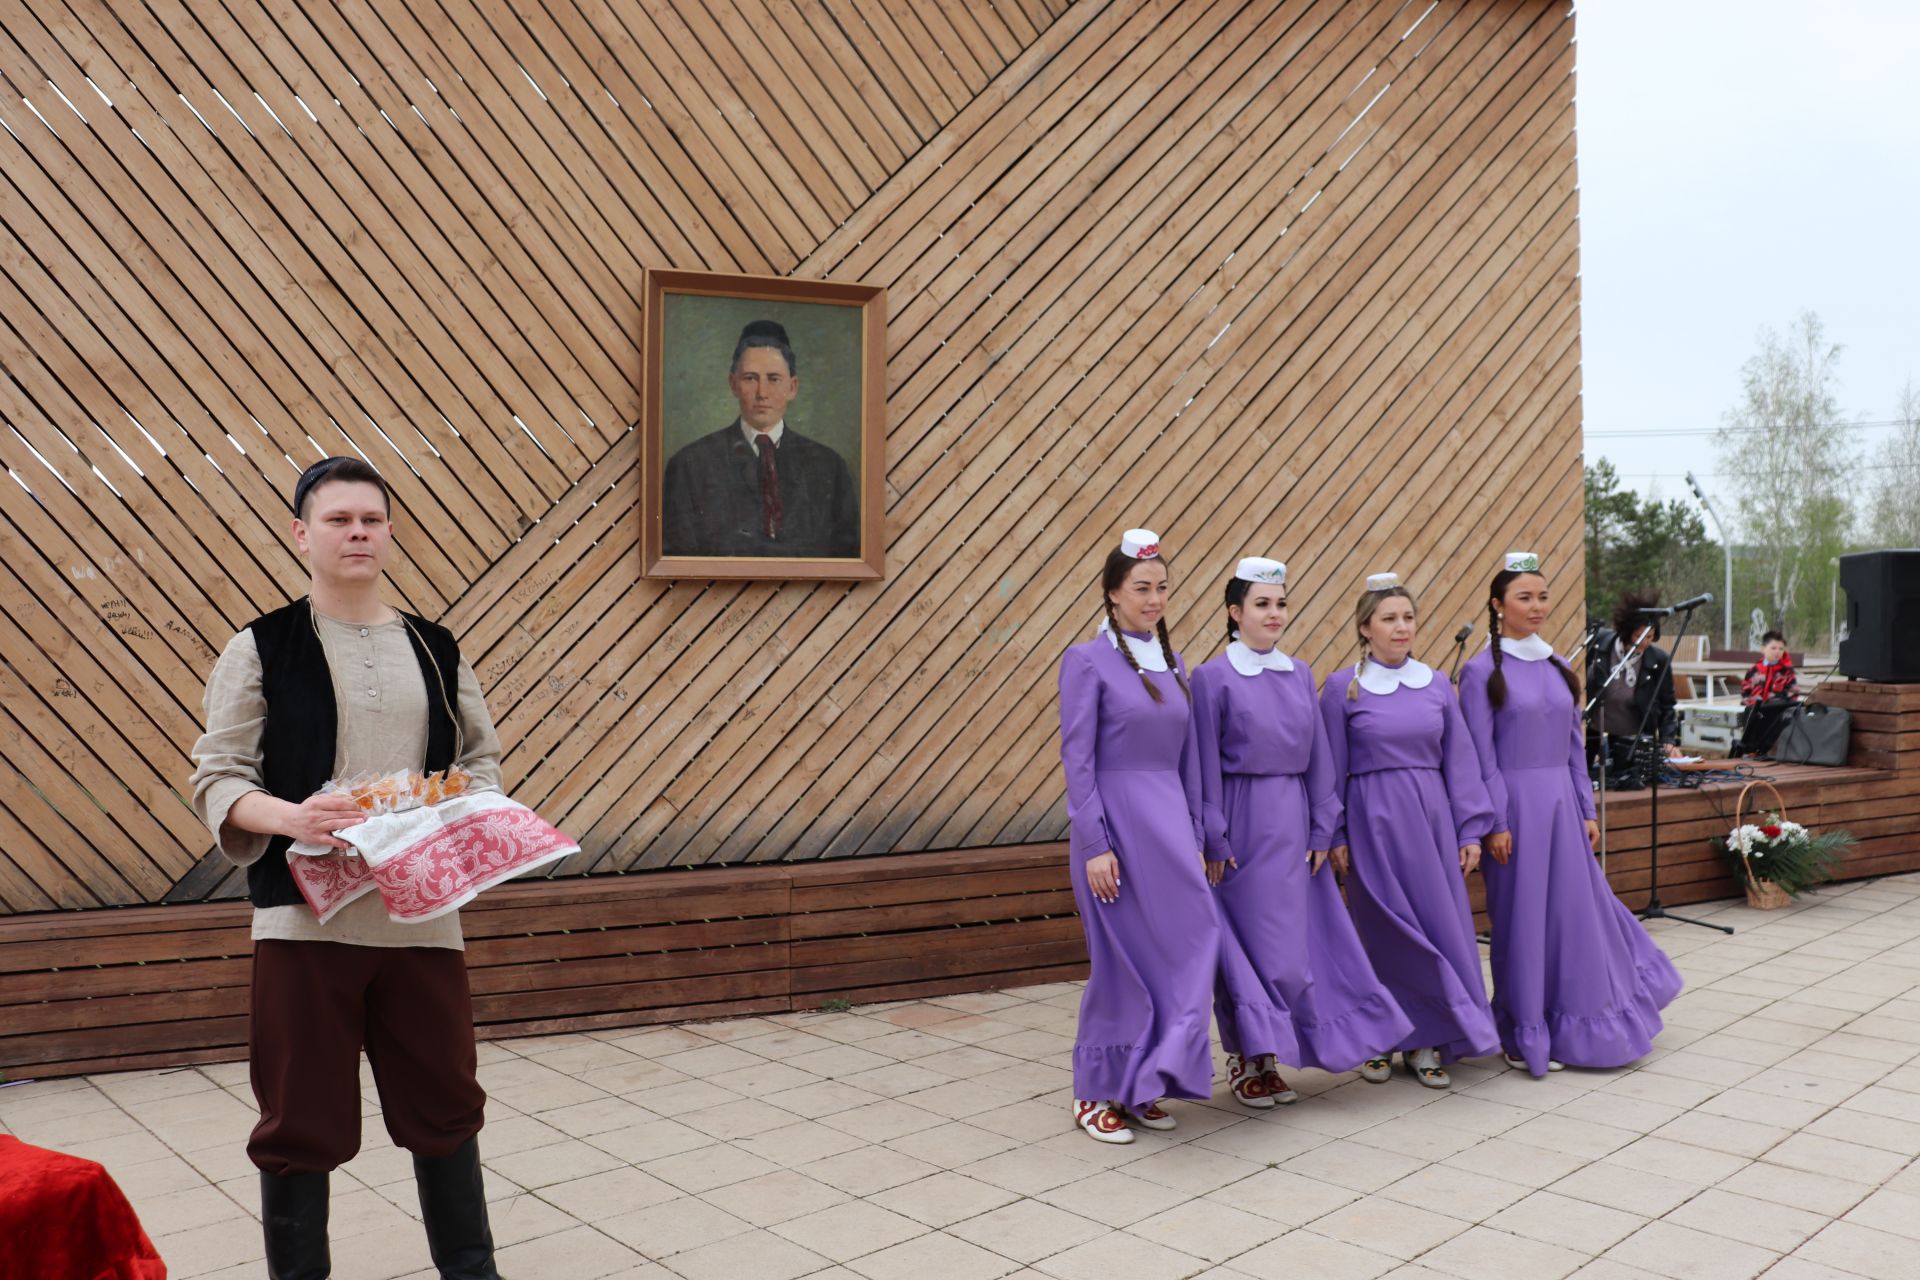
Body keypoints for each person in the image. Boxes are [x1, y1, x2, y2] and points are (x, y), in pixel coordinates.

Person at [190, 456, 505, 1280]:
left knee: (446, 1108)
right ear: (302, 535)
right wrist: (291, 817)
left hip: (422, 921)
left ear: (390, 532)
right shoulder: (260, 646)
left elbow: (481, 762)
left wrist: (463, 813)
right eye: (338, 520)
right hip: (302, 920)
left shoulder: (436, 648)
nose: (357, 532)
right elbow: (218, 775)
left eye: (371, 518)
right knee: (300, 1124)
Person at [1192, 558, 1413, 1107]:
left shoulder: (1299, 674)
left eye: (1281, 603)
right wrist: (1214, 834)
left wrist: (1322, 828)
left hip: (1293, 823)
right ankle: (1247, 1059)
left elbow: (1319, 760)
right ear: (1234, 612)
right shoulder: (1210, 678)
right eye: (1262, 604)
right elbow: (1202, 764)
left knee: (1293, 952)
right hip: (1242, 826)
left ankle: (1272, 1056)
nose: (1274, 614)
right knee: (1248, 950)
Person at [1458, 553, 1683, 1077]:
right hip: (1512, 811)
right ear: (1498, 606)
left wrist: (1586, 808)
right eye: (1524, 597)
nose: (1536, 607)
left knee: (1571, 920)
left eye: (1541, 596)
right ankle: (1521, 1029)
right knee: (1520, 923)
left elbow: (1572, 746)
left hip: (1562, 808)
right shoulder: (1478, 672)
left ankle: (1571, 1022)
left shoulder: (1558, 664)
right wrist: (1493, 821)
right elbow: (1478, 755)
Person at [1057, 528, 1220, 1142]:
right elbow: (1079, 760)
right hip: (1117, 826)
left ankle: (1144, 1076)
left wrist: (1197, 835)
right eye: (1142, 589)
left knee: (1189, 943)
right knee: (1122, 961)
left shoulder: (1175, 664)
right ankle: (1096, 1089)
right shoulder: (1086, 660)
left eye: (1162, 589)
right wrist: (1096, 844)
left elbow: (1188, 761)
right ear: (1112, 594)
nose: (1154, 600)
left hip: (1169, 825)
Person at [1320, 573, 1500, 1089]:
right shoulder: (1341, 688)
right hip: (1370, 822)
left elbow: (1460, 763)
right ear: (1365, 628)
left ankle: (1427, 1039)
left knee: (1433, 929)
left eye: (1408, 617)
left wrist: (1470, 830)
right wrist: (1334, 834)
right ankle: (1381, 1038)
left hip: (1430, 823)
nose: (1402, 627)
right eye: (1390, 619)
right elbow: (1328, 768)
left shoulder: (1437, 684)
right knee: (1380, 930)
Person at [661, 319, 860, 558]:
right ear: (733, 384)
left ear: (793, 386)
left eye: (774, 379)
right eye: (750, 378)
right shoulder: (689, 466)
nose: (762, 393)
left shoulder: (829, 467)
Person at [1586, 590, 1683, 784]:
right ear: (1626, 631)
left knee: (1628, 784)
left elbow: (1667, 704)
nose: (1645, 642)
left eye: (1650, 637)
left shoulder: (1659, 660)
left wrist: (1668, 740)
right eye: (1640, 636)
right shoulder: (1599, 646)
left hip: (1633, 735)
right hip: (1595, 729)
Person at [1735, 630, 1801, 757]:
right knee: (1751, 720)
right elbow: (1745, 691)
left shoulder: (1786, 671)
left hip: (1775, 711)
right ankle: (1751, 751)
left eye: (1781, 648)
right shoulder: (1754, 670)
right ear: (1763, 649)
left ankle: (1770, 752)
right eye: (1773, 648)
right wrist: (1754, 703)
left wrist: (1779, 701)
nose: (1777, 651)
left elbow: (1793, 693)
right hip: (1756, 710)